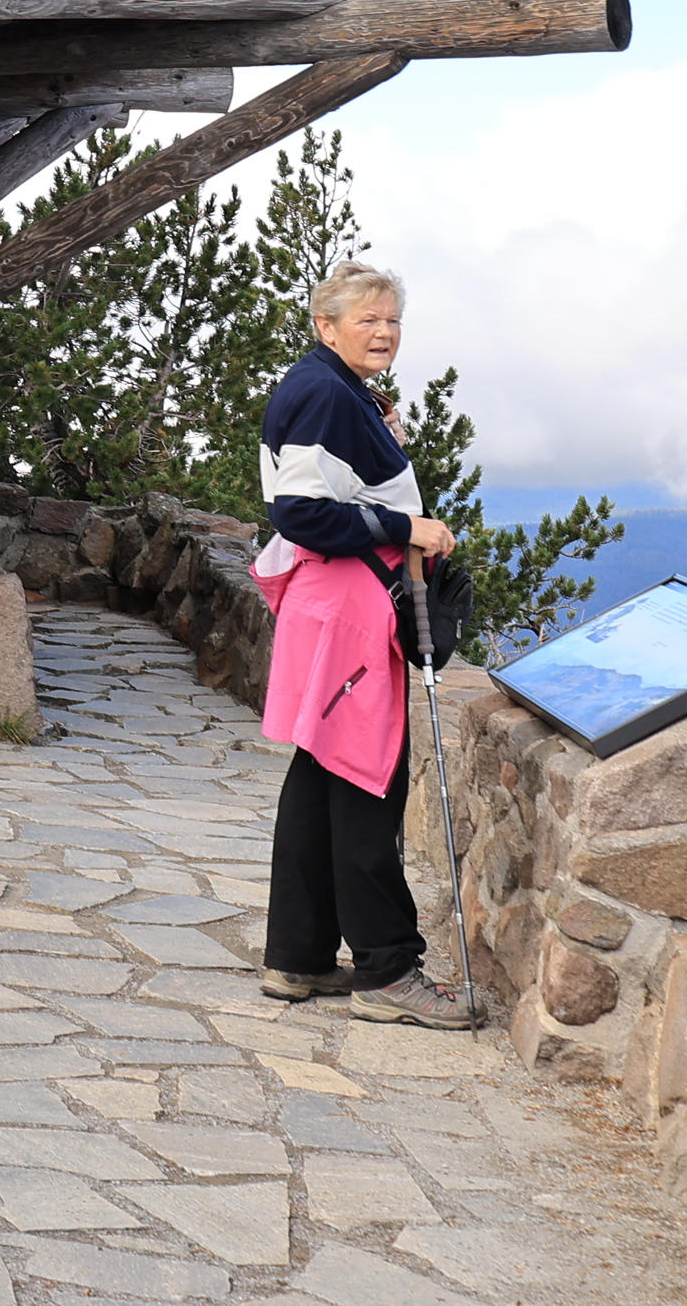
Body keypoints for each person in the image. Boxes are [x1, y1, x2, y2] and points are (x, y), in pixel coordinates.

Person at [252, 261, 475, 1029]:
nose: (383, 331)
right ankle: (388, 971)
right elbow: (303, 513)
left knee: (319, 781)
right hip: (348, 610)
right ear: (326, 326)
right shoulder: (322, 392)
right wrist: (406, 528)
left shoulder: (335, 389)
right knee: (366, 784)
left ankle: (299, 955)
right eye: (366, 319)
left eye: (392, 319)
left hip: (332, 609)